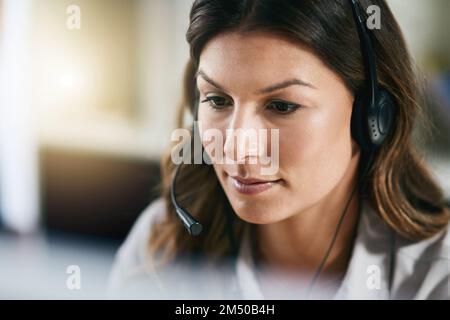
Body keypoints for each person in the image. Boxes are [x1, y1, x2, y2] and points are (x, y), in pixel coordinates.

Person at [109, 0, 450, 299]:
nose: (238, 146)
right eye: (217, 99)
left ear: (372, 116)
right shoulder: (161, 245)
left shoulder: (437, 277)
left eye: (282, 106)